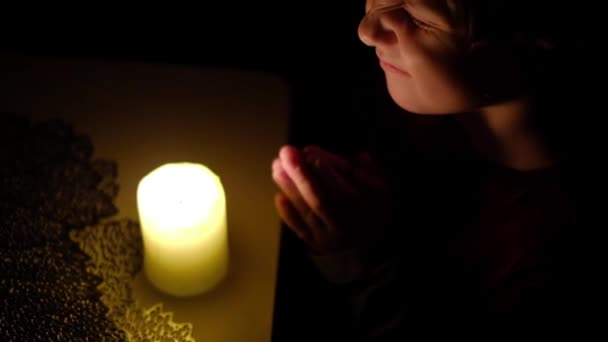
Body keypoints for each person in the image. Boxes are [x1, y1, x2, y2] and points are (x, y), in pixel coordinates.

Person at [272, 0, 594, 339]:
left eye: (417, 18)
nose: (366, 31)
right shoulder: (415, 94)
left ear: (536, 35)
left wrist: (365, 262)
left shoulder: (548, 258)